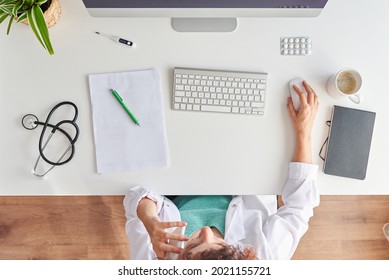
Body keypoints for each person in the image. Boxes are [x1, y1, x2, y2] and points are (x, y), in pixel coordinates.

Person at [123, 80, 320, 260]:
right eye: (220, 243)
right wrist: (304, 132)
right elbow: (299, 206)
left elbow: (134, 198)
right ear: (242, 253)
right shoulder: (267, 257)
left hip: (176, 183)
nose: (206, 231)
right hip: (243, 174)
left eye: (193, 244)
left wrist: (148, 220)